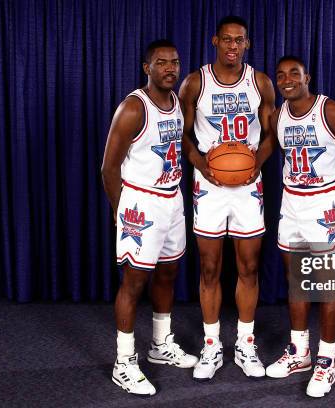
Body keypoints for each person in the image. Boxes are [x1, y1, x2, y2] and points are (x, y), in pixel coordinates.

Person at [254, 56, 335, 397]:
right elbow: (273, 149)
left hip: (323, 203)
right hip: (291, 203)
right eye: (281, 75)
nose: (287, 80)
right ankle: (300, 351)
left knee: (326, 286)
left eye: (294, 74)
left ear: (307, 77)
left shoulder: (332, 111)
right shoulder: (278, 114)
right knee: (296, 281)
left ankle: (326, 362)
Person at [178, 15, 276, 381]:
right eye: (227, 40)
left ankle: (245, 344)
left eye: (240, 40)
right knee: (208, 267)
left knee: (249, 266)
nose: (233, 46)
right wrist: (201, 164)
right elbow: (183, 134)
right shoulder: (195, 83)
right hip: (210, 186)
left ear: (247, 44)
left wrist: (257, 164)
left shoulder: (260, 82)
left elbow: (271, 135)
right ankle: (211, 344)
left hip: (249, 186)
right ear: (214, 41)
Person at [101, 39, 198, 397]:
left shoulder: (175, 103)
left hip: (172, 199)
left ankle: (160, 345)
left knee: (168, 272)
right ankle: (123, 362)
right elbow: (109, 168)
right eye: (161, 63)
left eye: (174, 62)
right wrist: (119, 209)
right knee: (133, 282)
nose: (170, 68)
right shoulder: (133, 107)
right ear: (147, 68)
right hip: (140, 203)